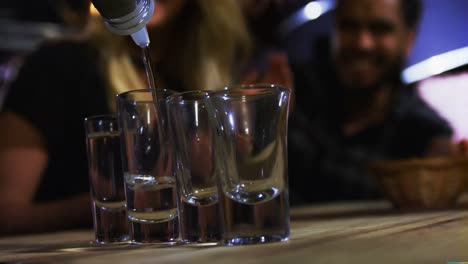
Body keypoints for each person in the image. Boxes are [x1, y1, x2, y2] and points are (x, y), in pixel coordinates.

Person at [0, 0, 293, 235]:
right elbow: (6, 214)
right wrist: (123, 204)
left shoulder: (206, 80)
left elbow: (247, 214)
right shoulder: (56, 67)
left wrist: (257, 143)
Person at [288, 0, 466, 205]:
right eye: (349, 26)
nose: (362, 43)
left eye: (381, 29)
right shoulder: (292, 90)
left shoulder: (425, 130)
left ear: (409, 39)